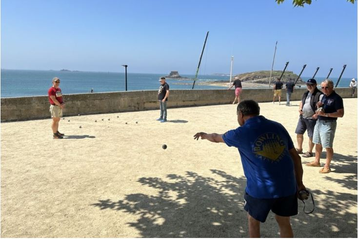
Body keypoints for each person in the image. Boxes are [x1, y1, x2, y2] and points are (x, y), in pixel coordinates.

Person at [194, 100, 305, 238]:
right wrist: (299, 184)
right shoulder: (278, 127)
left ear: (241, 115)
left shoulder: (240, 133)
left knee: (253, 221)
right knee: (284, 222)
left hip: (260, 189)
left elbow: (216, 137)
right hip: (288, 187)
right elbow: (296, 158)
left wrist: (203, 135)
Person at [307, 79, 344, 173]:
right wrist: (318, 112)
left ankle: (327, 166)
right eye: (322, 87)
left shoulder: (337, 98)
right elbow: (322, 108)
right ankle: (317, 161)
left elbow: (340, 113)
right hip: (319, 122)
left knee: (327, 145)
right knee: (317, 143)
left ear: (331, 87)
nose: (324, 89)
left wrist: (326, 114)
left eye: (326, 87)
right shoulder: (323, 97)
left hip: (329, 123)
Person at [295, 79, 323, 158]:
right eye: (308, 85)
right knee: (299, 132)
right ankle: (299, 148)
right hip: (302, 117)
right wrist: (300, 108)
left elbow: (322, 106)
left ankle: (310, 151)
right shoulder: (306, 93)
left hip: (312, 118)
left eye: (311, 85)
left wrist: (316, 114)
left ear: (315, 85)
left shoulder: (319, 95)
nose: (309, 86)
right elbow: (302, 102)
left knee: (311, 135)